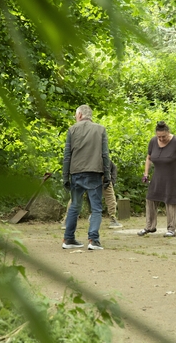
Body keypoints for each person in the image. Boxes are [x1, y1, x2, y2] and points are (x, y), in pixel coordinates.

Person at [62, 104, 111, 250]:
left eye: (75, 115)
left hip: (76, 173)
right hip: (94, 173)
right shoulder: (100, 129)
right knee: (96, 208)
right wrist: (107, 176)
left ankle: (69, 238)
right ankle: (93, 240)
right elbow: (105, 155)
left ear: (80, 115)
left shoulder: (72, 129)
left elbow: (67, 155)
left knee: (74, 207)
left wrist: (65, 176)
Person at [137, 121, 176, 237]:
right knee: (150, 199)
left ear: (168, 133)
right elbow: (149, 158)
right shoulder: (153, 141)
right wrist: (146, 174)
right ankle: (150, 226)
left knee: (170, 201)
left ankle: (171, 229)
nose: (161, 139)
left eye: (164, 136)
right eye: (159, 136)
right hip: (158, 176)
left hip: (172, 177)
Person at [61, 160, 122, 229]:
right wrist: (109, 179)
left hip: (83, 171)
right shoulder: (100, 150)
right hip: (100, 171)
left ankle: (67, 221)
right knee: (109, 196)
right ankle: (113, 219)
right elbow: (106, 159)